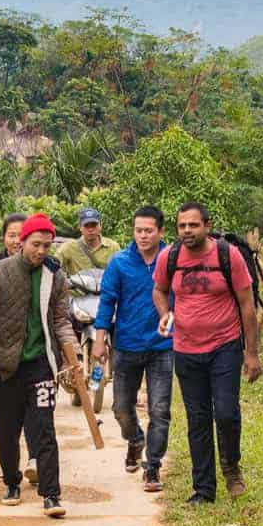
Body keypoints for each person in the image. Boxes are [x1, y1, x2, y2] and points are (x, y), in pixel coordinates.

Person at [0, 214, 84, 518]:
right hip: (4, 365)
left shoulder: (54, 277)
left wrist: (74, 359)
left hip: (41, 365)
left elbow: (61, 321)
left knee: (43, 428)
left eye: (47, 245)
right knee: (6, 430)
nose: (41, 250)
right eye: (36, 244)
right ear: (22, 242)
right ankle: (11, 482)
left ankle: (51, 494)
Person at [152, 201, 262, 504]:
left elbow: (247, 305)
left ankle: (231, 466)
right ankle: (203, 490)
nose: (187, 230)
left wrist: (251, 354)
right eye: (182, 225)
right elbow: (159, 290)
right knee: (197, 419)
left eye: (193, 225)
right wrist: (164, 313)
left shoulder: (228, 255)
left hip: (225, 346)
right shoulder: (169, 257)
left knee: (226, 412)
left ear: (207, 226)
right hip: (186, 350)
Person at [91, 205, 173, 493]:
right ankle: (135, 439)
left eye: (149, 230)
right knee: (122, 408)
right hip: (126, 346)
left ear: (161, 231)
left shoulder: (172, 259)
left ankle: (152, 467)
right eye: (138, 230)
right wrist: (100, 339)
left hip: (163, 346)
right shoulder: (119, 262)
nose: (143, 235)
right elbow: (107, 303)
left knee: (160, 409)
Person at [57, 206, 122, 275]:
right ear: (80, 227)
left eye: (94, 225)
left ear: (101, 225)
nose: (90, 229)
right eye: (86, 225)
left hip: (105, 285)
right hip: (79, 285)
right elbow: (53, 266)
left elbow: (122, 271)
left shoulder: (113, 247)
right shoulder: (69, 247)